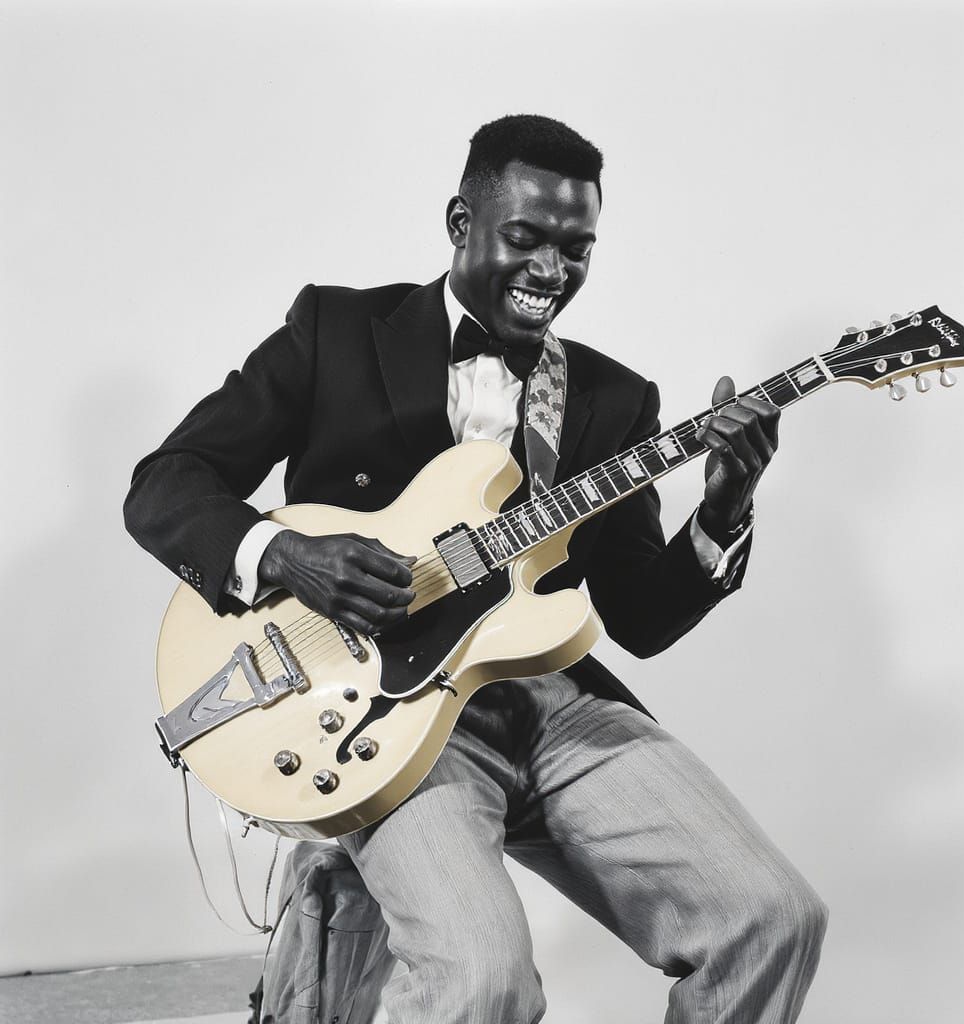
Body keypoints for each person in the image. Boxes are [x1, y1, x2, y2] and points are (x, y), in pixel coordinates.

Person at [125, 114, 827, 1023]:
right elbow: (167, 483)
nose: (551, 271)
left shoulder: (613, 398)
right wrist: (289, 556)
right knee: (479, 981)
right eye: (526, 239)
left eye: (577, 249)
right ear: (461, 222)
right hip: (384, 714)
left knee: (773, 918)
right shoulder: (335, 328)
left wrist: (724, 507)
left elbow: (641, 617)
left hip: (551, 704)